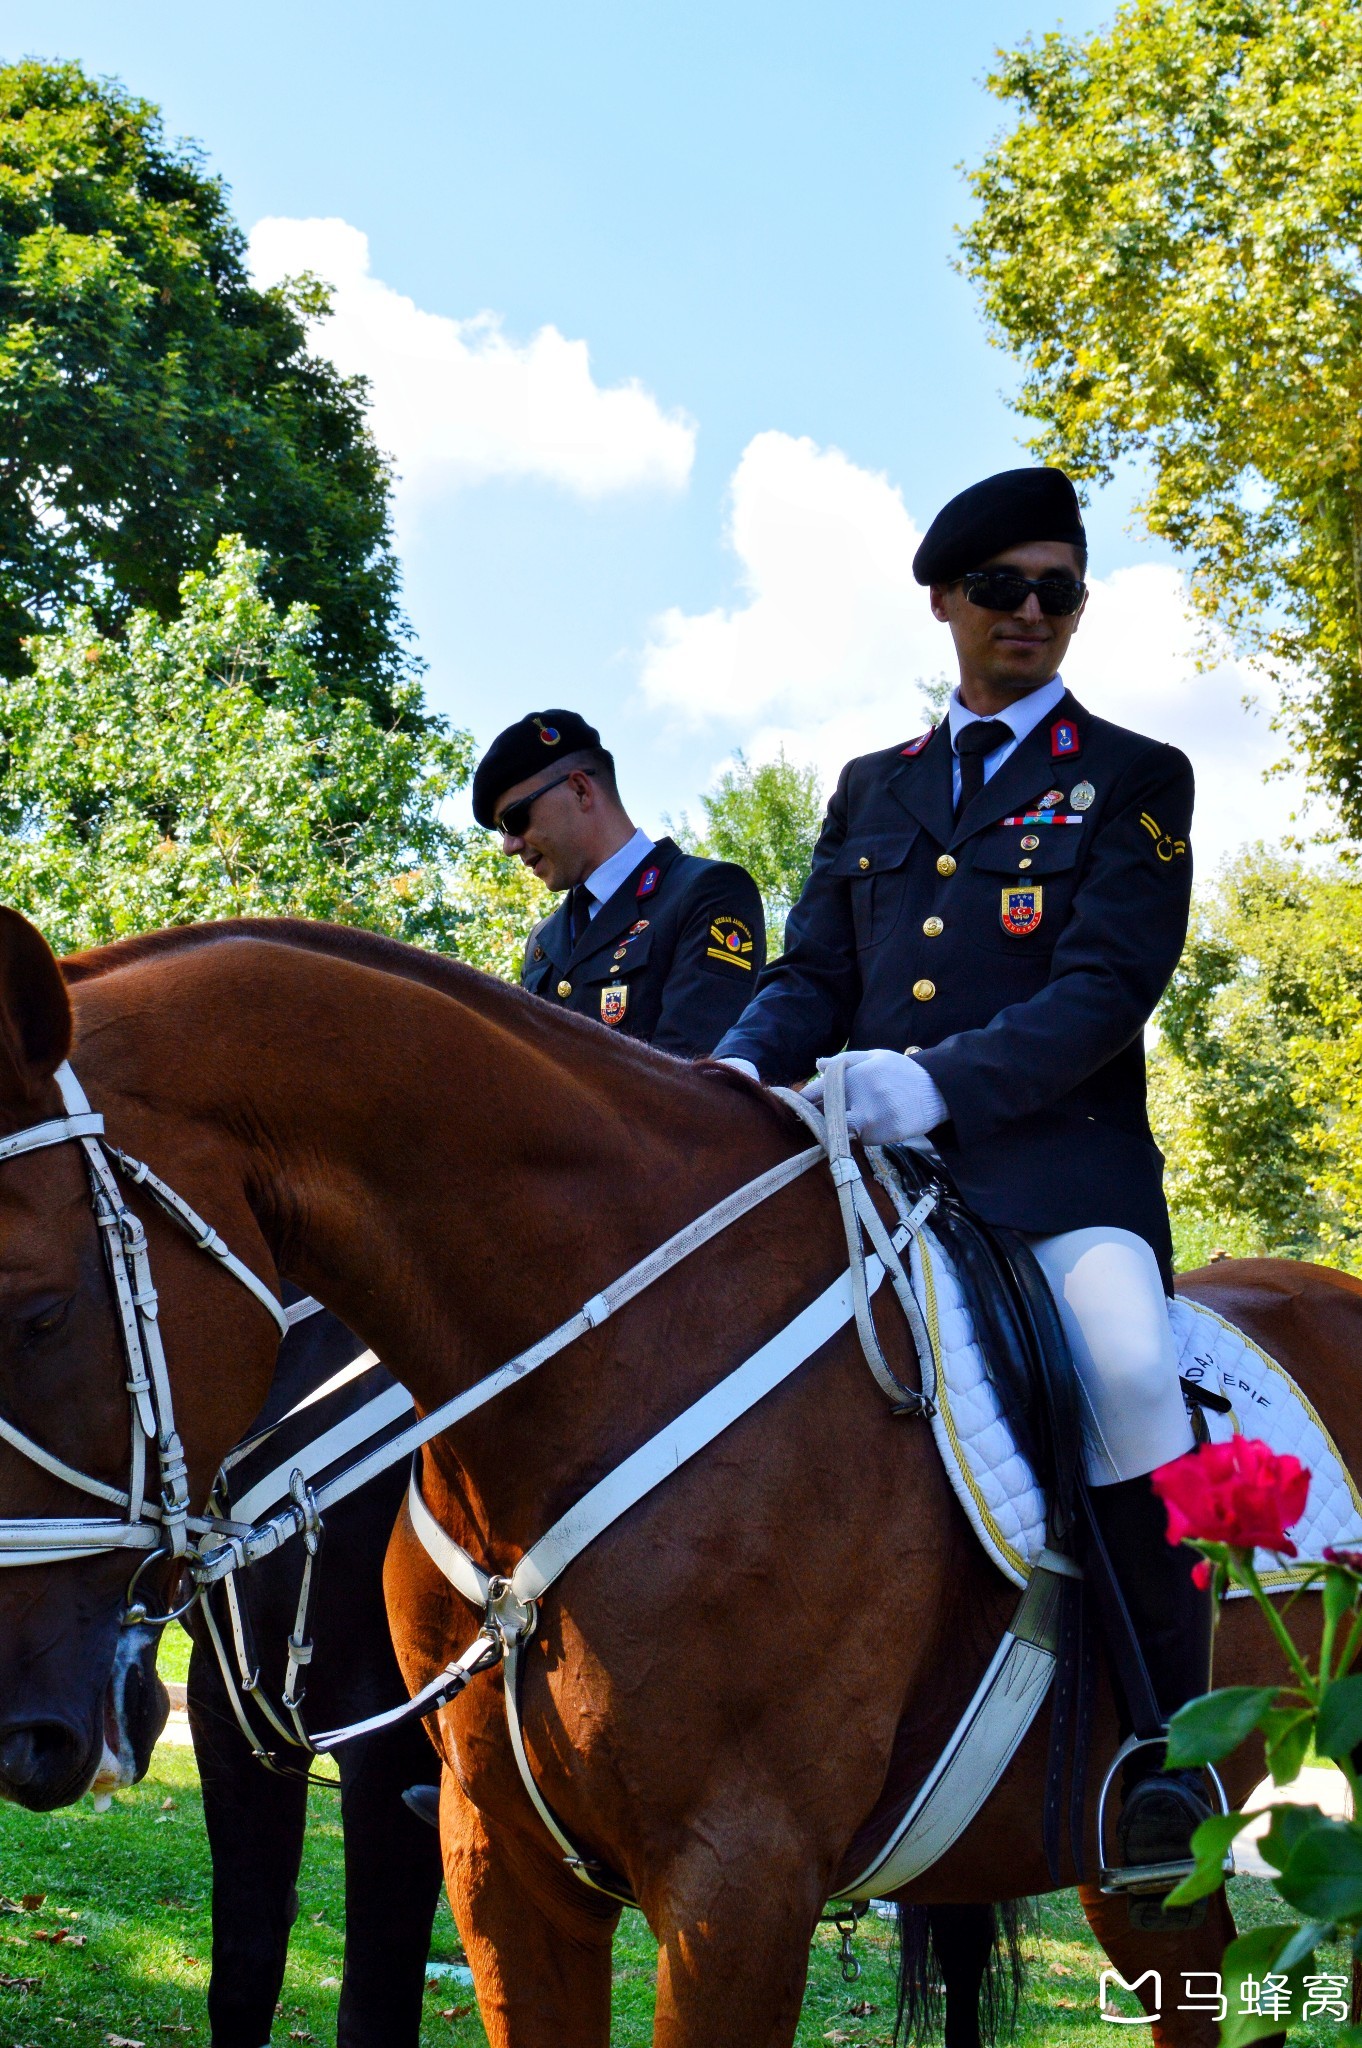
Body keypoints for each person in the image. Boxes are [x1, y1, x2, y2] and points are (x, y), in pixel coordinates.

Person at [714, 466, 1207, 1875]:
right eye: (1002, 588)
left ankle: (1166, 1756)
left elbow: (1105, 989)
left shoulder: (1131, 780)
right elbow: (810, 976)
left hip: (1060, 1179)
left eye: (1057, 590)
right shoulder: (874, 787)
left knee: (1118, 1367)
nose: (1030, 613)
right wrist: (721, 1082)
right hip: (867, 1173)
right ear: (943, 601)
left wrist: (933, 1084)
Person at [471, 709, 766, 1059]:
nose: (509, 847)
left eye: (514, 819)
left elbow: (693, 1081)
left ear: (580, 790)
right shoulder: (543, 939)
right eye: (502, 833)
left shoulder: (706, 892)